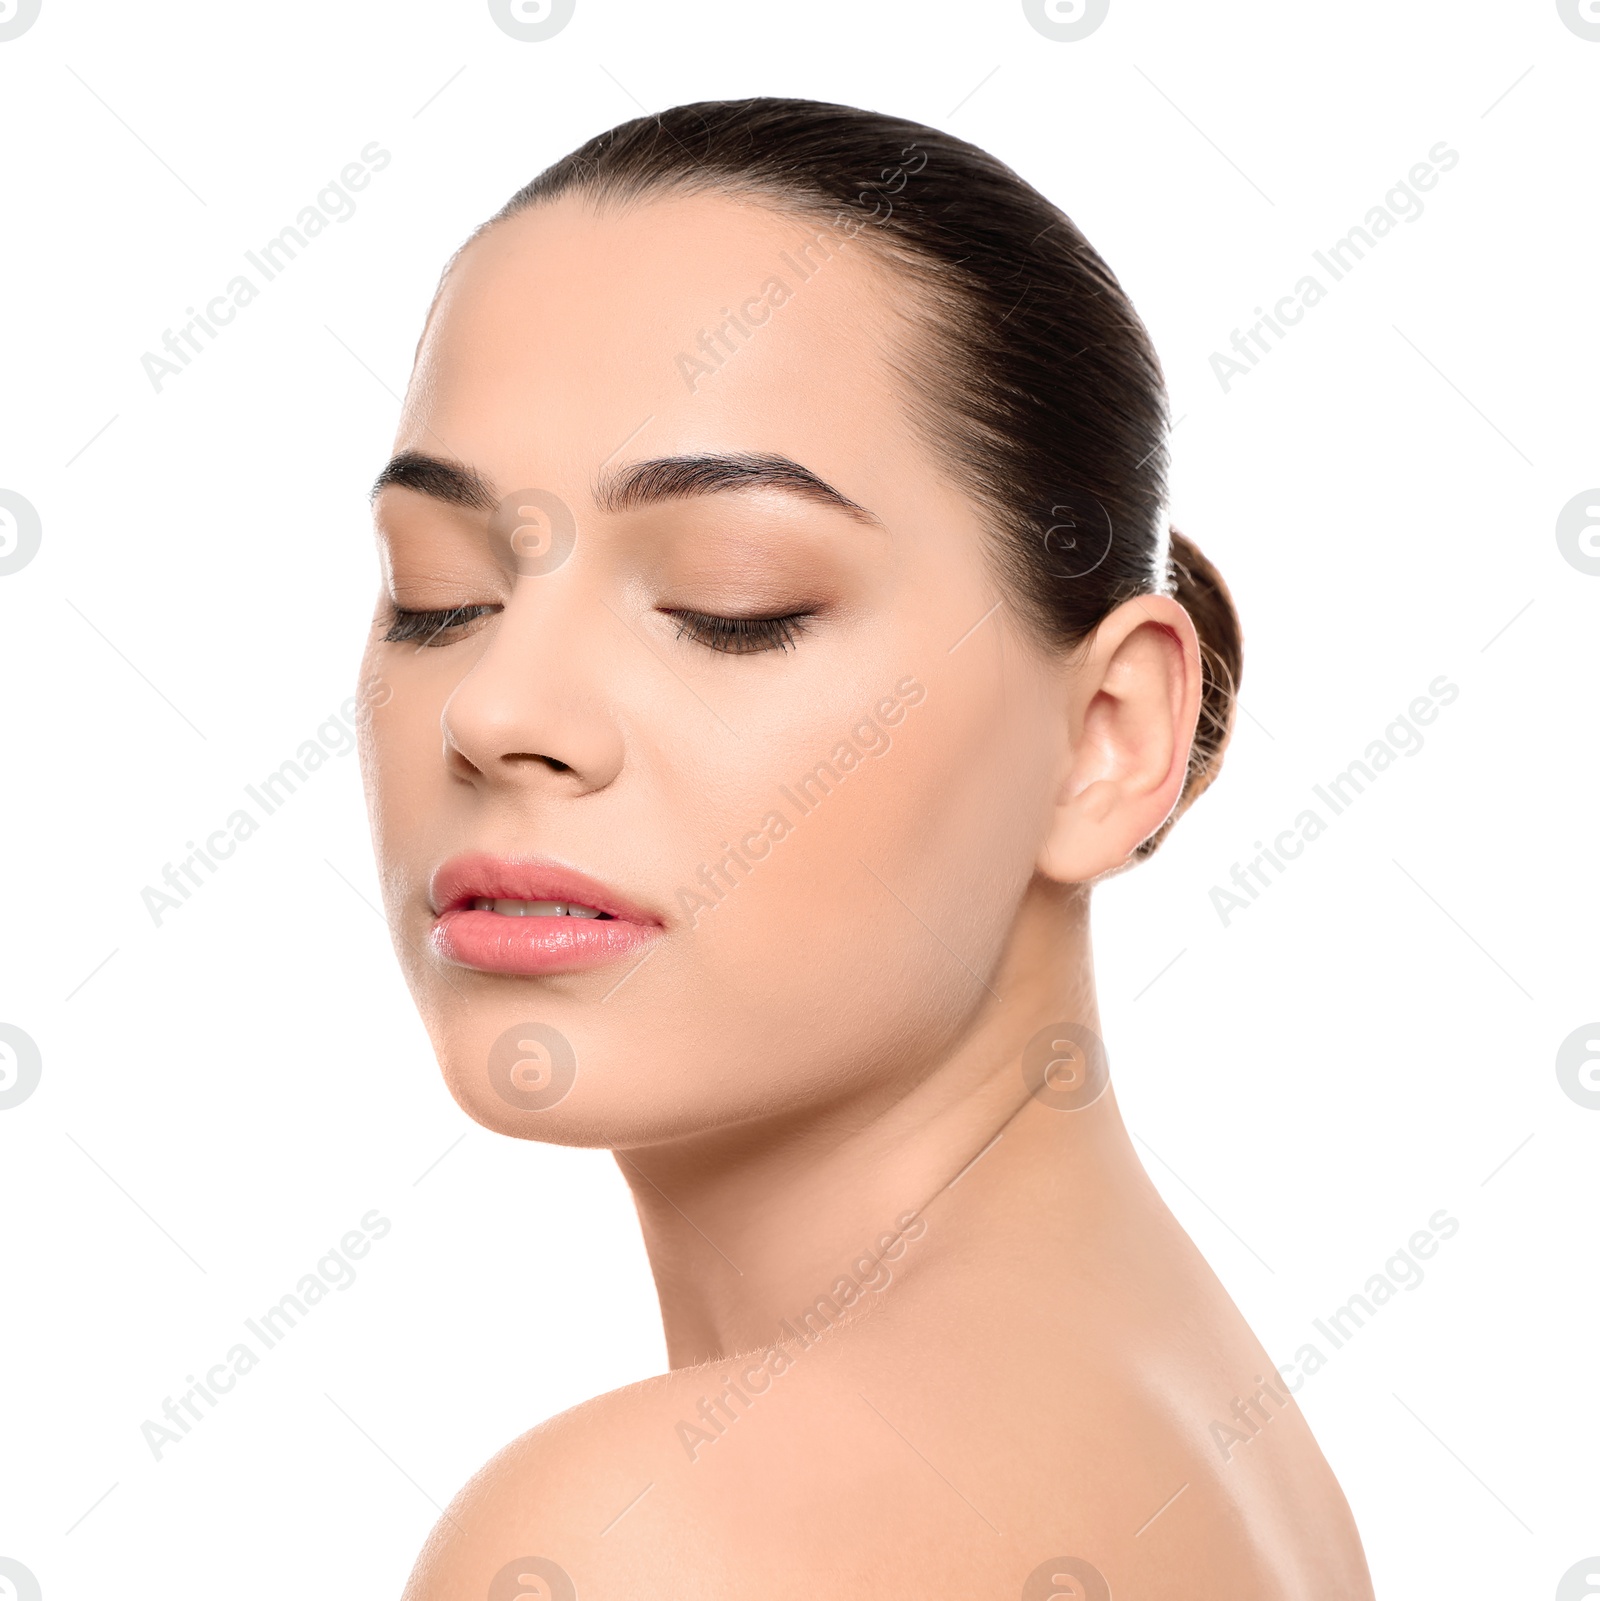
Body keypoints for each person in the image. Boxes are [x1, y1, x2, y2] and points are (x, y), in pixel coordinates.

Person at [359, 97, 1374, 1599]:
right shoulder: (1191, 1427)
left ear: (1109, 735)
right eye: (441, 593)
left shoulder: (645, 1545)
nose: (502, 710)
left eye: (730, 599)